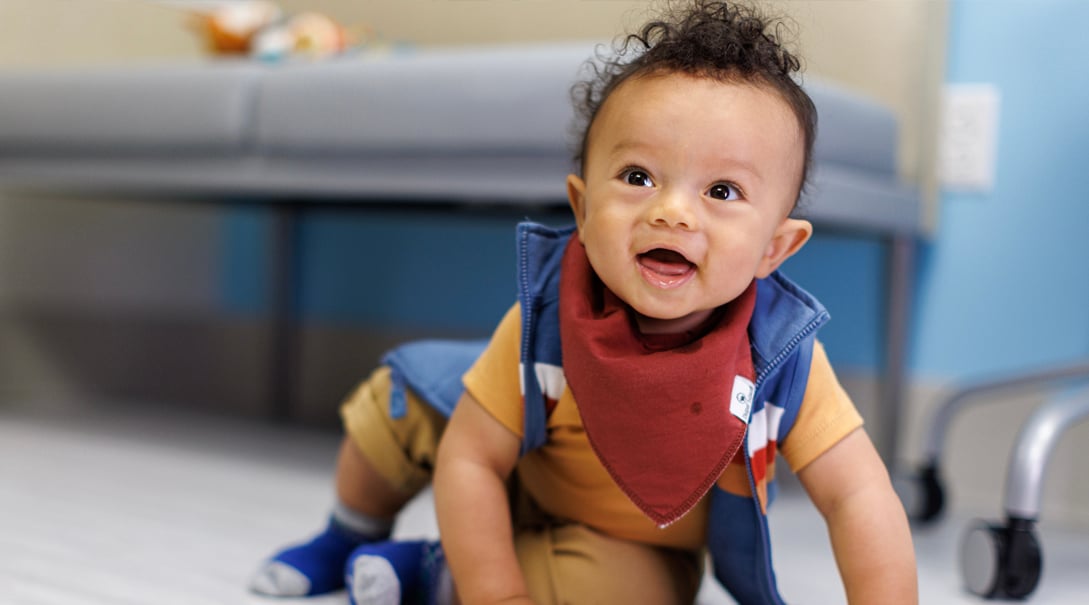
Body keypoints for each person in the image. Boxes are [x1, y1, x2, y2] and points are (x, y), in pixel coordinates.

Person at [250, 1, 918, 603]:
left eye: (721, 191)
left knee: (623, 596)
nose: (671, 211)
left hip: (633, 540)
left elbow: (857, 495)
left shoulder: (782, 358)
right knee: (402, 395)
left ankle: (430, 570)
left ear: (775, 247)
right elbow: (471, 457)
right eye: (637, 176)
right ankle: (346, 534)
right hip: (519, 470)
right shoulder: (546, 316)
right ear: (581, 204)